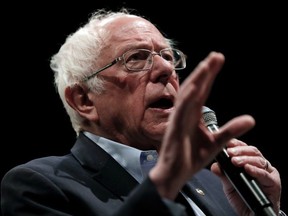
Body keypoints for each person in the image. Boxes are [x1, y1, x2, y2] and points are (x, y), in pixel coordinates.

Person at [1, 7, 286, 216]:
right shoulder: (41, 186)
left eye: (167, 57)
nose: (165, 69)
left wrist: (264, 211)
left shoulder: (217, 183)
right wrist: (165, 182)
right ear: (84, 100)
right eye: (136, 58)